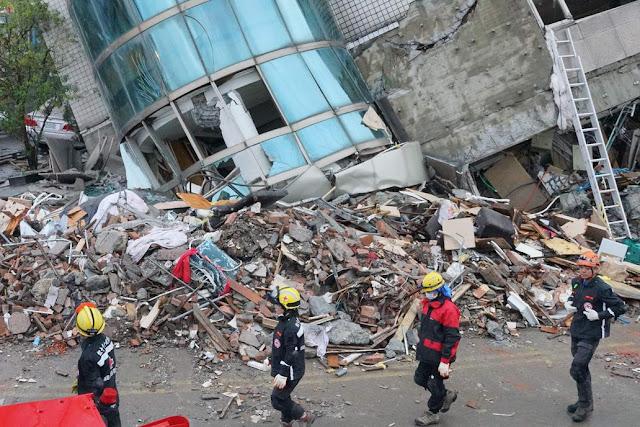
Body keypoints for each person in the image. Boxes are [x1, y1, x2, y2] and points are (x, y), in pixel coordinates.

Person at [564, 250, 626, 422]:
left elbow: (621, 307)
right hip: (577, 329)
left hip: (592, 333)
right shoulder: (577, 282)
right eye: (581, 267)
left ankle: (585, 404)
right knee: (581, 368)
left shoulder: (602, 288)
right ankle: (584, 401)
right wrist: (569, 302)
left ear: (595, 269)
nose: (583, 271)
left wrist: (599, 315)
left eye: (587, 268)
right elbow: (575, 295)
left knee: (577, 367)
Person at [414, 272, 460, 426]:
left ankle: (432, 413)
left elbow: (452, 337)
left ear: (438, 290)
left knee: (435, 384)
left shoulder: (449, 309)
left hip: (440, 356)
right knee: (420, 378)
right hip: (427, 353)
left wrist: (445, 361)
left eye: (429, 291)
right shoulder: (428, 304)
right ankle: (446, 395)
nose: (427, 294)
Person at [268, 286, 315, 427]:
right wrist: (272, 359)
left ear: (286, 308)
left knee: (277, 399)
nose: (275, 307)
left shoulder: (290, 328)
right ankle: (287, 421)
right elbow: (281, 346)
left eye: (277, 305)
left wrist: (283, 374)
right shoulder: (286, 321)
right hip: (285, 366)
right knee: (284, 396)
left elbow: (291, 352)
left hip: (291, 371)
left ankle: (304, 416)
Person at [74, 302, 121, 427]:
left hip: (100, 401)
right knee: (114, 419)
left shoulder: (87, 358)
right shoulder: (105, 340)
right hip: (111, 390)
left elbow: (91, 387)